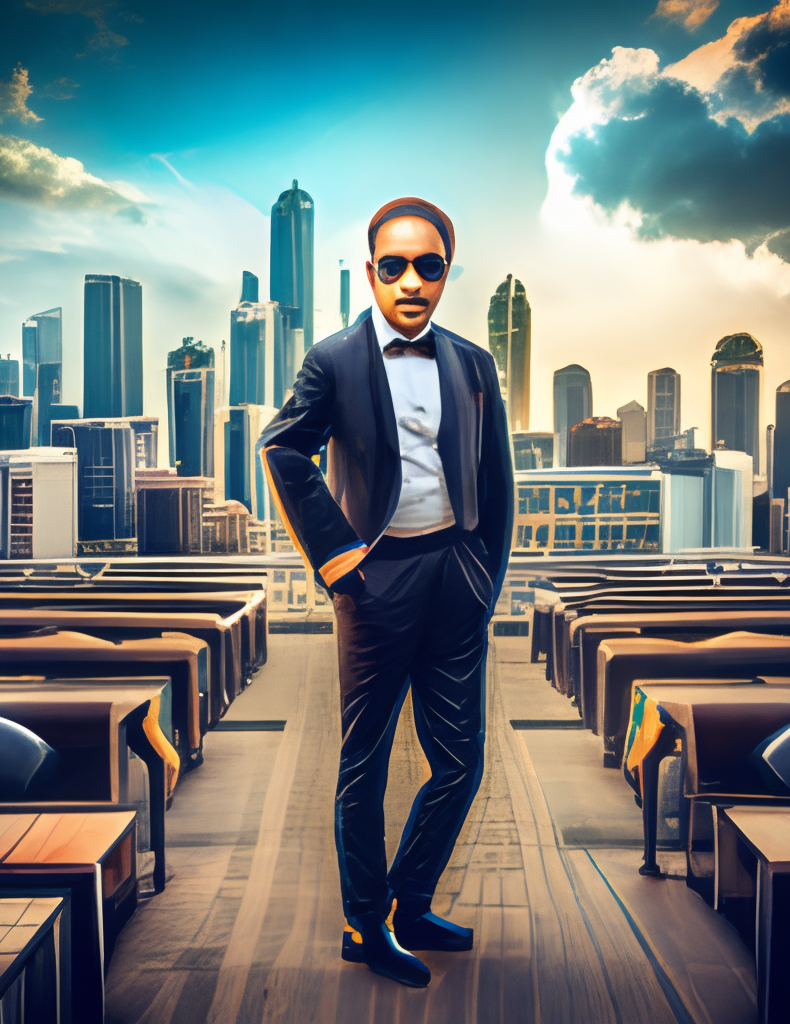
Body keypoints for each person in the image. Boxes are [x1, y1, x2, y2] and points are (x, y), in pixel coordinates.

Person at [258, 197, 514, 987]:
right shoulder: (333, 360)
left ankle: (410, 902)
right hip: (375, 582)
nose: (411, 281)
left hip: (454, 577)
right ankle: (363, 926)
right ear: (372, 272)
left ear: (445, 274)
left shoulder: (474, 363)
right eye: (394, 266)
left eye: (428, 266)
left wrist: (485, 577)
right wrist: (336, 558)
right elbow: (283, 448)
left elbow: (496, 477)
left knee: (459, 763)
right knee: (362, 765)